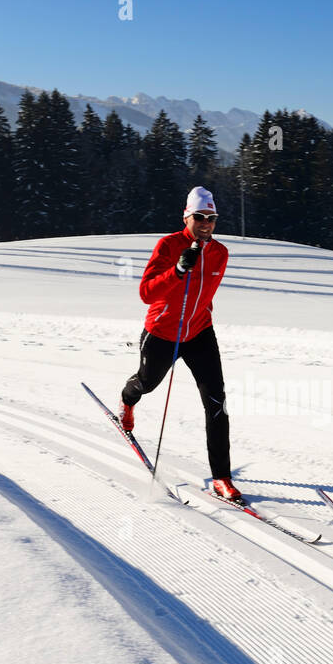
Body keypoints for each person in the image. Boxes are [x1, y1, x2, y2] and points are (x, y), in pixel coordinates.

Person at [120, 186, 241, 501]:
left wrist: (200, 315)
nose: (206, 223)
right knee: (146, 384)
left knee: (217, 404)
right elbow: (146, 293)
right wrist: (177, 271)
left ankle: (221, 477)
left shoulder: (221, 253)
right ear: (186, 217)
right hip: (162, 332)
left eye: (211, 218)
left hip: (200, 332)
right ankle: (127, 401)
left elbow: (205, 293)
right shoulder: (169, 245)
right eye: (199, 217)